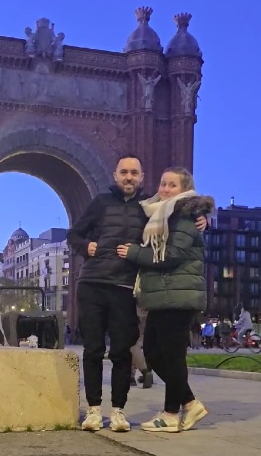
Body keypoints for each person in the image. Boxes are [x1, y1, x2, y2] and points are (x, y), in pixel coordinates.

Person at [67, 155, 207, 433]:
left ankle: (118, 412)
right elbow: (74, 235)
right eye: (124, 172)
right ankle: (94, 411)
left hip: (125, 288)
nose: (129, 177)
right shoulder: (101, 204)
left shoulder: (149, 209)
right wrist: (86, 247)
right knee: (93, 350)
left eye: (134, 173)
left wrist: (200, 217)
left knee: (122, 352)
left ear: (141, 178)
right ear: (115, 175)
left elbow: (178, 218)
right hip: (93, 284)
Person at [117, 166, 213, 433]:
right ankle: (190, 403)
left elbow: (171, 255)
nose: (165, 189)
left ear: (184, 190)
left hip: (179, 295)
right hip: (164, 296)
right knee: (153, 353)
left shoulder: (183, 215)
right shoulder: (161, 212)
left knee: (170, 355)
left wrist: (135, 253)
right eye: (162, 183)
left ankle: (172, 414)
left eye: (172, 185)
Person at [130, 306, 153, 388]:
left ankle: (144, 371)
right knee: (138, 343)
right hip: (149, 308)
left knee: (132, 343)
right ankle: (131, 376)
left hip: (135, 307)